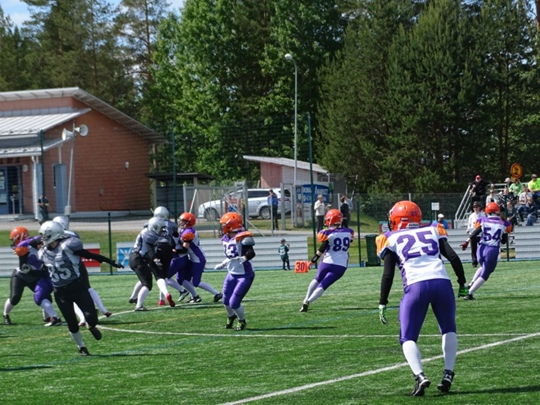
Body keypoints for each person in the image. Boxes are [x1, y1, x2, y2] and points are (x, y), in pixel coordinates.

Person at [376, 201, 458, 396]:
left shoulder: (389, 237)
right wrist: (462, 283)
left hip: (415, 287)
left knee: (407, 337)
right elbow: (453, 257)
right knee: (448, 328)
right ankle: (448, 373)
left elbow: (388, 274)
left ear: (396, 218)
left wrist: (382, 301)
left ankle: (420, 376)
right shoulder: (434, 229)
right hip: (443, 283)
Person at [33, 221, 123, 356]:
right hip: (60, 292)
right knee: (71, 322)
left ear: (53, 234)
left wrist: (111, 262)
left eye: (44, 235)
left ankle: (91, 326)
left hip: (77, 287)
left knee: (92, 318)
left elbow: (90, 255)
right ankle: (81, 347)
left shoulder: (68, 246)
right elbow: (44, 269)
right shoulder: (42, 253)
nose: (42, 238)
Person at [52, 216, 112, 326]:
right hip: (77, 265)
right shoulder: (72, 234)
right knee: (87, 288)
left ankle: (82, 318)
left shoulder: (56, 237)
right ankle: (103, 309)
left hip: (63, 269)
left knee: (72, 294)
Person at [4, 226, 62, 326]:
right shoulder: (23, 247)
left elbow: (38, 239)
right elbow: (23, 267)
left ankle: (47, 317)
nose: (14, 242)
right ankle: (6, 314)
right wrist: (40, 272)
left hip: (34, 275)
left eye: (14, 239)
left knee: (45, 296)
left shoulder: (33, 242)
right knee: (15, 297)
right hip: (20, 276)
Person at [299, 209, 354, 312]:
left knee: (317, 279)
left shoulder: (327, 233)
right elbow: (349, 240)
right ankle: (309, 301)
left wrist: (311, 262)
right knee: (324, 285)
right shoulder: (349, 232)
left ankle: (306, 299)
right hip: (340, 265)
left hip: (326, 262)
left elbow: (321, 250)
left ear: (331, 220)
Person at [460, 202, 512, 300]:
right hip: (492, 250)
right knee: (485, 274)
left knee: (483, 267)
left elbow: (475, 232)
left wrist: (467, 241)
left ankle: (471, 284)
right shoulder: (504, 223)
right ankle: (469, 293)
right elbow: (504, 241)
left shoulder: (482, 220)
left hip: (481, 249)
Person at [214, 212, 256, 331]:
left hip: (244, 275)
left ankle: (242, 320)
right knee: (225, 300)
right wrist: (223, 263)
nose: (222, 227)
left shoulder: (242, 236)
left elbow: (251, 253)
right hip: (231, 273)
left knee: (234, 302)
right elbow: (231, 256)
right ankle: (231, 316)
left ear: (231, 225)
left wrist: (244, 258)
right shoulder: (226, 238)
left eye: (224, 224)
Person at [169, 212, 222, 303]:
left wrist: (173, 250)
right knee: (183, 278)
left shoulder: (189, 232)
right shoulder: (184, 230)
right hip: (193, 258)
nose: (180, 222)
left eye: (183, 221)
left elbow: (184, 249)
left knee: (196, 282)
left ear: (187, 222)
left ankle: (217, 294)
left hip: (198, 259)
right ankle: (194, 296)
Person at [128, 216, 177, 311]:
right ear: (155, 227)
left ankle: (133, 298)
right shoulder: (148, 234)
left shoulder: (148, 231)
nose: (162, 230)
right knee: (147, 284)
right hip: (138, 259)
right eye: (161, 228)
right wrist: (155, 259)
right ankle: (139, 306)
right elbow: (150, 250)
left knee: (144, 279)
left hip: (137, 258)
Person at [466, 202, 484, 267]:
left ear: (479, 207)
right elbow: (469, 225)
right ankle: (474, 262)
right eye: (474, 207)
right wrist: (468, 229)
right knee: (473, 249)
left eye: (476, 207)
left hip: (480, 234)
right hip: (472, 234)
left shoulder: (482, 215)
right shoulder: (471, 216)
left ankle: (482, 261)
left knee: (481, 248)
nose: (475, 208)